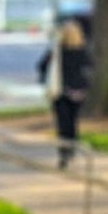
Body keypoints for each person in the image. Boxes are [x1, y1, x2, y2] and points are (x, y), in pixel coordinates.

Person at [37, 17, 91, 169]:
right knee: (73, 122)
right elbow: (89, 70)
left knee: (62, 123)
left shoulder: (57, 52)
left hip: (61, 91)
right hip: (78, 93)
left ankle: (64, 152)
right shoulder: (83, 52)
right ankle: (72, 147)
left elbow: (41, 66)